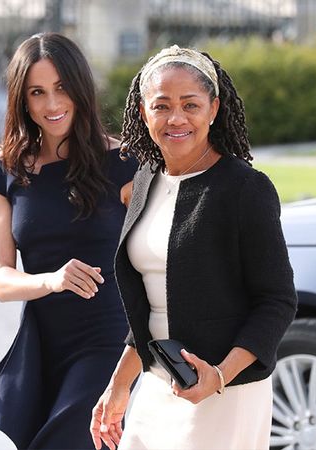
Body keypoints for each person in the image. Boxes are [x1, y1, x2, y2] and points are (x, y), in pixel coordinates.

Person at [90, 45, 298, 450]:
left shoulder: (245, 190)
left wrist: (219, 375)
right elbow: (152, 306)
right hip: (158, 384)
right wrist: (118, 386)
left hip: (224, 390)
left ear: (214, 108)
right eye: (162, 105)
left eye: (191, 104)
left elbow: (277, 301)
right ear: (143, 111)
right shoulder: (145, 181)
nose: (176, 118)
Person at [0, 32, 137, 450]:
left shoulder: (123, 164)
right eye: (37, 92)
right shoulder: (4, 171)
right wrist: (52, 280)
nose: (51, 104)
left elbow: (158, 259)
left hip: (108, 340)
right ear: (22, 100)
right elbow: (1, 281)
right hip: (42, 344)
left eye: (61, 88)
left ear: (80, 88)